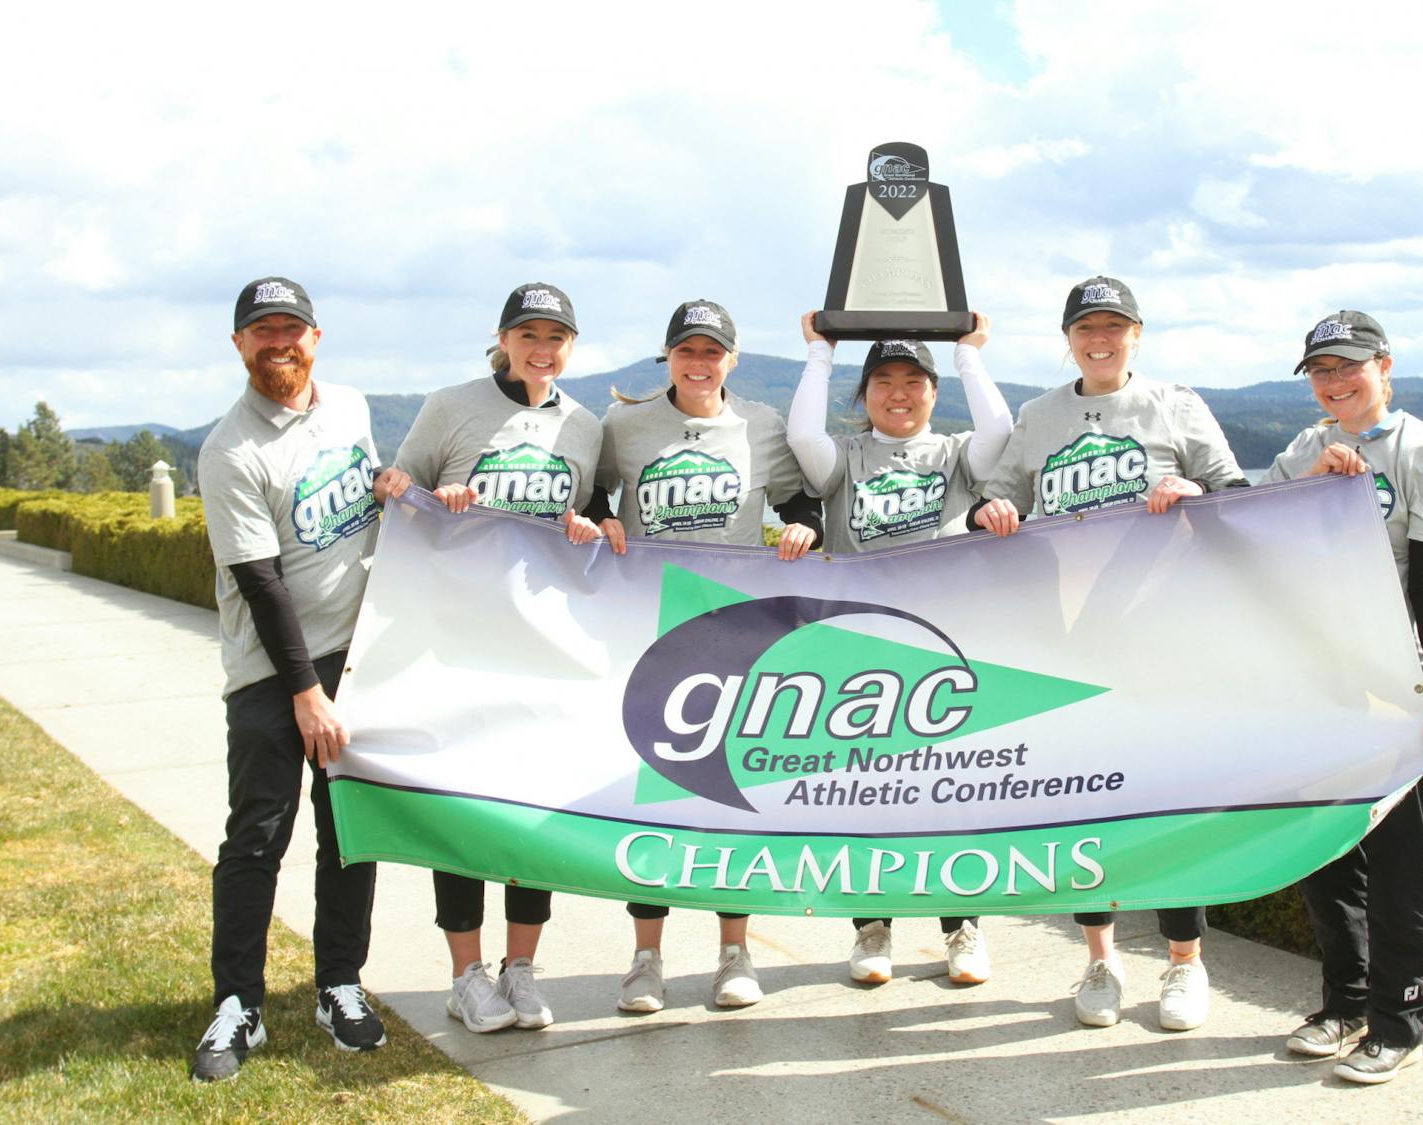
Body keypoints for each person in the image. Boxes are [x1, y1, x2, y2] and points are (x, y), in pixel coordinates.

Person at [972, 275, 1247, 1032]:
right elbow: (996, 497)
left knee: (1170, 800)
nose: (1101, 340)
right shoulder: (1039, 415)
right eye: (1087, 328)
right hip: (1068, 642)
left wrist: (1195, 492)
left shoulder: (1175, 404)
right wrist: (991, 511)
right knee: (1084, 803)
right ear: (1068, 339)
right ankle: (1100, 960)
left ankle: (1185, 961)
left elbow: (1238, 493)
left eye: (1114, 327)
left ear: (1137, 334)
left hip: (1162, 639)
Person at [192, 277, 411, 1082]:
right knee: (258, 833)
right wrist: (306, 693)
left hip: (352, 659)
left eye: (292, 329)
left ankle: (339, 983)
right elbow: (262, 582)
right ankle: (237, 1002)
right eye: (263, 331)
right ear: (239, 344)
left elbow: (361, 498)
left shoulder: (348, 407)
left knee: (349, 828)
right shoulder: (230, 450)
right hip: (270, 670)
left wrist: (386, 487)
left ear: (316, 337)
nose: (279, 343)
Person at [393, 282, 608, 1034]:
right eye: (528, 335)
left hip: (541, 646)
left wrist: (593, 522)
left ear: (570, 346)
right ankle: (466, 975)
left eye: (555, 338)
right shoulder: (450, 406)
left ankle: (521, 968)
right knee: (462, 810)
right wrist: (434, 493)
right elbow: (397, 489)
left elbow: (594, 506)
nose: (541, 350)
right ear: (503, 338)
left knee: (533, 811)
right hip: (456, 644)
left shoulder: (583, 424)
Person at [595, 298, 821, 1012]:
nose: (699, 363)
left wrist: (804, 530)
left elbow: (802, 501)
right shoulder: (625, 426)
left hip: (736, 635)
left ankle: (734, 952)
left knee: (730, 796)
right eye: (687, 350)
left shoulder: (761, 425)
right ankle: (646, 958)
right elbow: (590, 491)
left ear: (732, 359)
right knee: (650, 797)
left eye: (712, 352)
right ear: (667, 357)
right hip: (649, 631)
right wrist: (600, 517)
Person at [787, 311, 1013, 987]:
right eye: (883, 380)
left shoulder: (958, 454)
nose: (899, 392)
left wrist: (969, 352)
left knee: (950, 794)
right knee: (865, 795)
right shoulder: (844, 458)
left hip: (945, 650)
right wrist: (819, 352)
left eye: (914, 380)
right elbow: (802, 435)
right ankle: (872, 927)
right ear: (864, 394)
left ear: (934, 392)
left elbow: (999, 430)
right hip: (860, 652)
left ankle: (961, 927)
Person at [1265, 310, 1423, 1084]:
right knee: (1329, 852)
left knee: (1403, 861)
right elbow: (1247, 536)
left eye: (1348, 366)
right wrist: (1304, 489)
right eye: (1321, 370)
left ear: (1385, 366)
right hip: (1322, 687)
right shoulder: (1301, 450)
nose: (1335, 382)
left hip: (1400, 688)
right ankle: (1343, 1004)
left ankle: (1399, 1019)